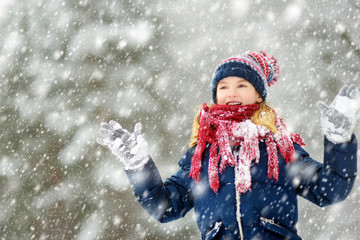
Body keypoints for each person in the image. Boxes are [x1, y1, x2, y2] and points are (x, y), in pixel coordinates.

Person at [97, 51, 359, 240]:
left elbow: (331, 189)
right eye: (223, 86)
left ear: (258, 95)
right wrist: (137, 164)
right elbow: (164, 207)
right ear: (216, 96)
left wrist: (339, 140)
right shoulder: (203, 155)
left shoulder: (279, 150)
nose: (231, 92)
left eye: (241, 85)